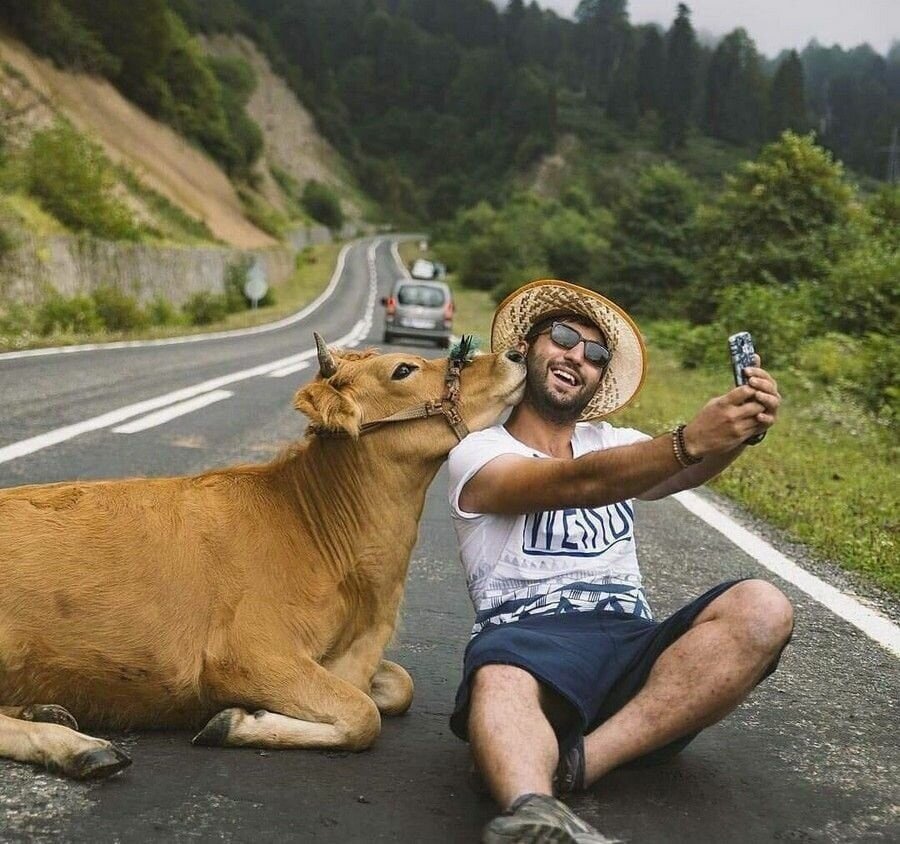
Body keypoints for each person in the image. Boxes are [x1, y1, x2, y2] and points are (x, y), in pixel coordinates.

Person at [446, 280, 793, 844]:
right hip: (529, 648)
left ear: (600, 378)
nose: (575, 357)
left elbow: (677, 470)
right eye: (562, 337)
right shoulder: (479, 453)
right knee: (498, 674)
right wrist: (686, 440)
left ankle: (579, 763)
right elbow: (578, 482)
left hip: (633, 650)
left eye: (595, 354)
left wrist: (738, 430)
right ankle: (532, 809)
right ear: (530, 347)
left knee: (764, 606)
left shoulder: (612, 442)